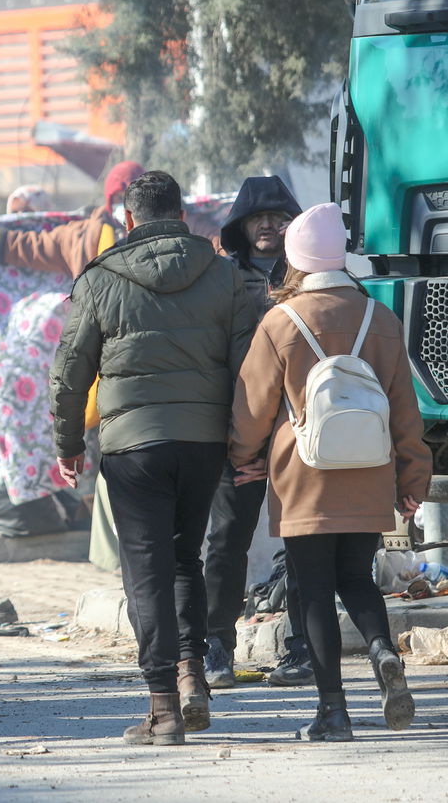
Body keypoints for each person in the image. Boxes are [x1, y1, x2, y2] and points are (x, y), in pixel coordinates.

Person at [49, 170, 257, 746]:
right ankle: (193, 673)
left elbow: (69, 372)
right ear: (183, 216)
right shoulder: (224, 276)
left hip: (133, 447)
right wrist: (245, 446)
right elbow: (249, 373)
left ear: (130, 220)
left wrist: (67, 444)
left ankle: (163, 710)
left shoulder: (101, 277)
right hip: (205, 444)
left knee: (146, 571)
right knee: (185, 558)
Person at [228, 202, 427, 741]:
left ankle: (333, 713)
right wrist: (412, 483)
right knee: (356, 580)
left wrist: (243, 458)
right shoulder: (379, 318)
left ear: (294, 258)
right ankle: (384, 651)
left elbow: (252, 409)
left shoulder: (280, 322)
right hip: (369, 472)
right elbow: (405, 412)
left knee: (312, 588)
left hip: (303, 478)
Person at [203, 175, 311, 691]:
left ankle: (303, 647)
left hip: (303, 433)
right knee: (226, 541)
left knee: (304, 542)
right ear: (241, 226)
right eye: (257, 218)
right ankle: (216, 648)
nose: (268, 225)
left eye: (279, 216)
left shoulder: (314, 275)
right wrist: (237, 438)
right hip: (238, 435)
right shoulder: (221, 282)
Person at [0, 161, 145, 278]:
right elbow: (36, 246)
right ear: (109, 200)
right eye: (118, 198)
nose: (125, 206)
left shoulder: (163, 234)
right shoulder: (81, 237)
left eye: (132, 198)